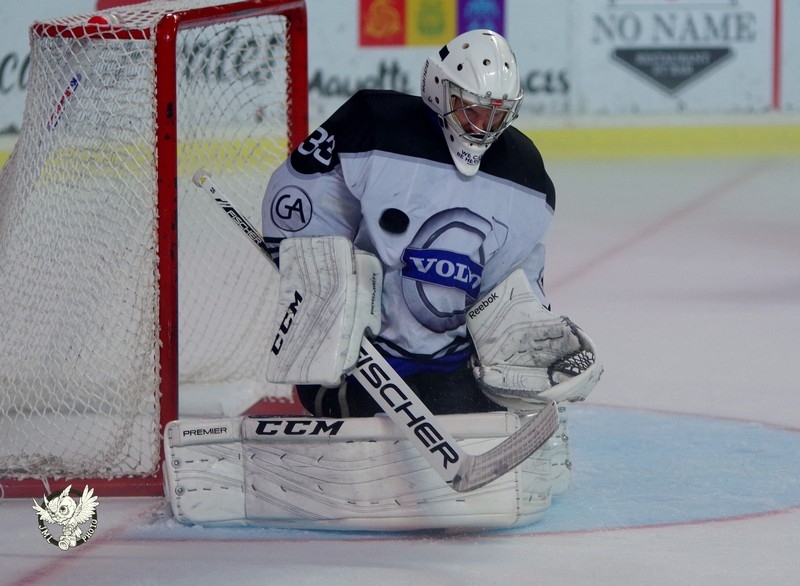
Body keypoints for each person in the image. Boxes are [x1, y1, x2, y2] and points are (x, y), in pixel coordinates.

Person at [262, 29, 599, 422]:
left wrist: (526, 329)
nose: (482, 126)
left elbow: (513, 285)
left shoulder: (526, 175)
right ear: (440, 89)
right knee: (367, 416)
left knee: (470, 416)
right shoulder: (373, 125)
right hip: (359, 360)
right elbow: (300, 201)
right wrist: (324, 288)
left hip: (452, 365)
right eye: (472, 109)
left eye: (496, 115)